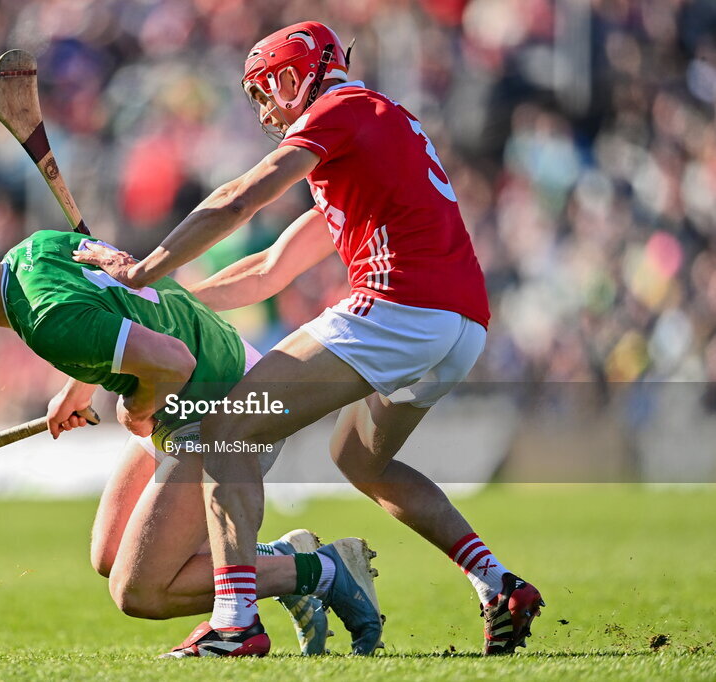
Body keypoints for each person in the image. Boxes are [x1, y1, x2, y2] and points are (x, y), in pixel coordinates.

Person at [72, 20, 544, 657]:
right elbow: (269, 269)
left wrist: (145, 267)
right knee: (360, 459)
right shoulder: (379, 126)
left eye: (272, 88)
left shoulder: (339, 111)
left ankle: (236, 622)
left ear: (305, 73)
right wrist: (163, 299)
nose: (268, 107)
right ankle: (496, 583)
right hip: (460, 326)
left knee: (227, 429)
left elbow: (241, 200)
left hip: (399, 306)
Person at [0, 220, 385, 657]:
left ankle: (320, 571)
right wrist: (75, 387)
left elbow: (171, 361)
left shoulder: (44, 320)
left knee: (139, 592)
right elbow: (113, 305)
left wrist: (136, 405)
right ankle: (278, 559)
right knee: (109, 554)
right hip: (201, 384)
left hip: (221, 405)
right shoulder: (33, 250)